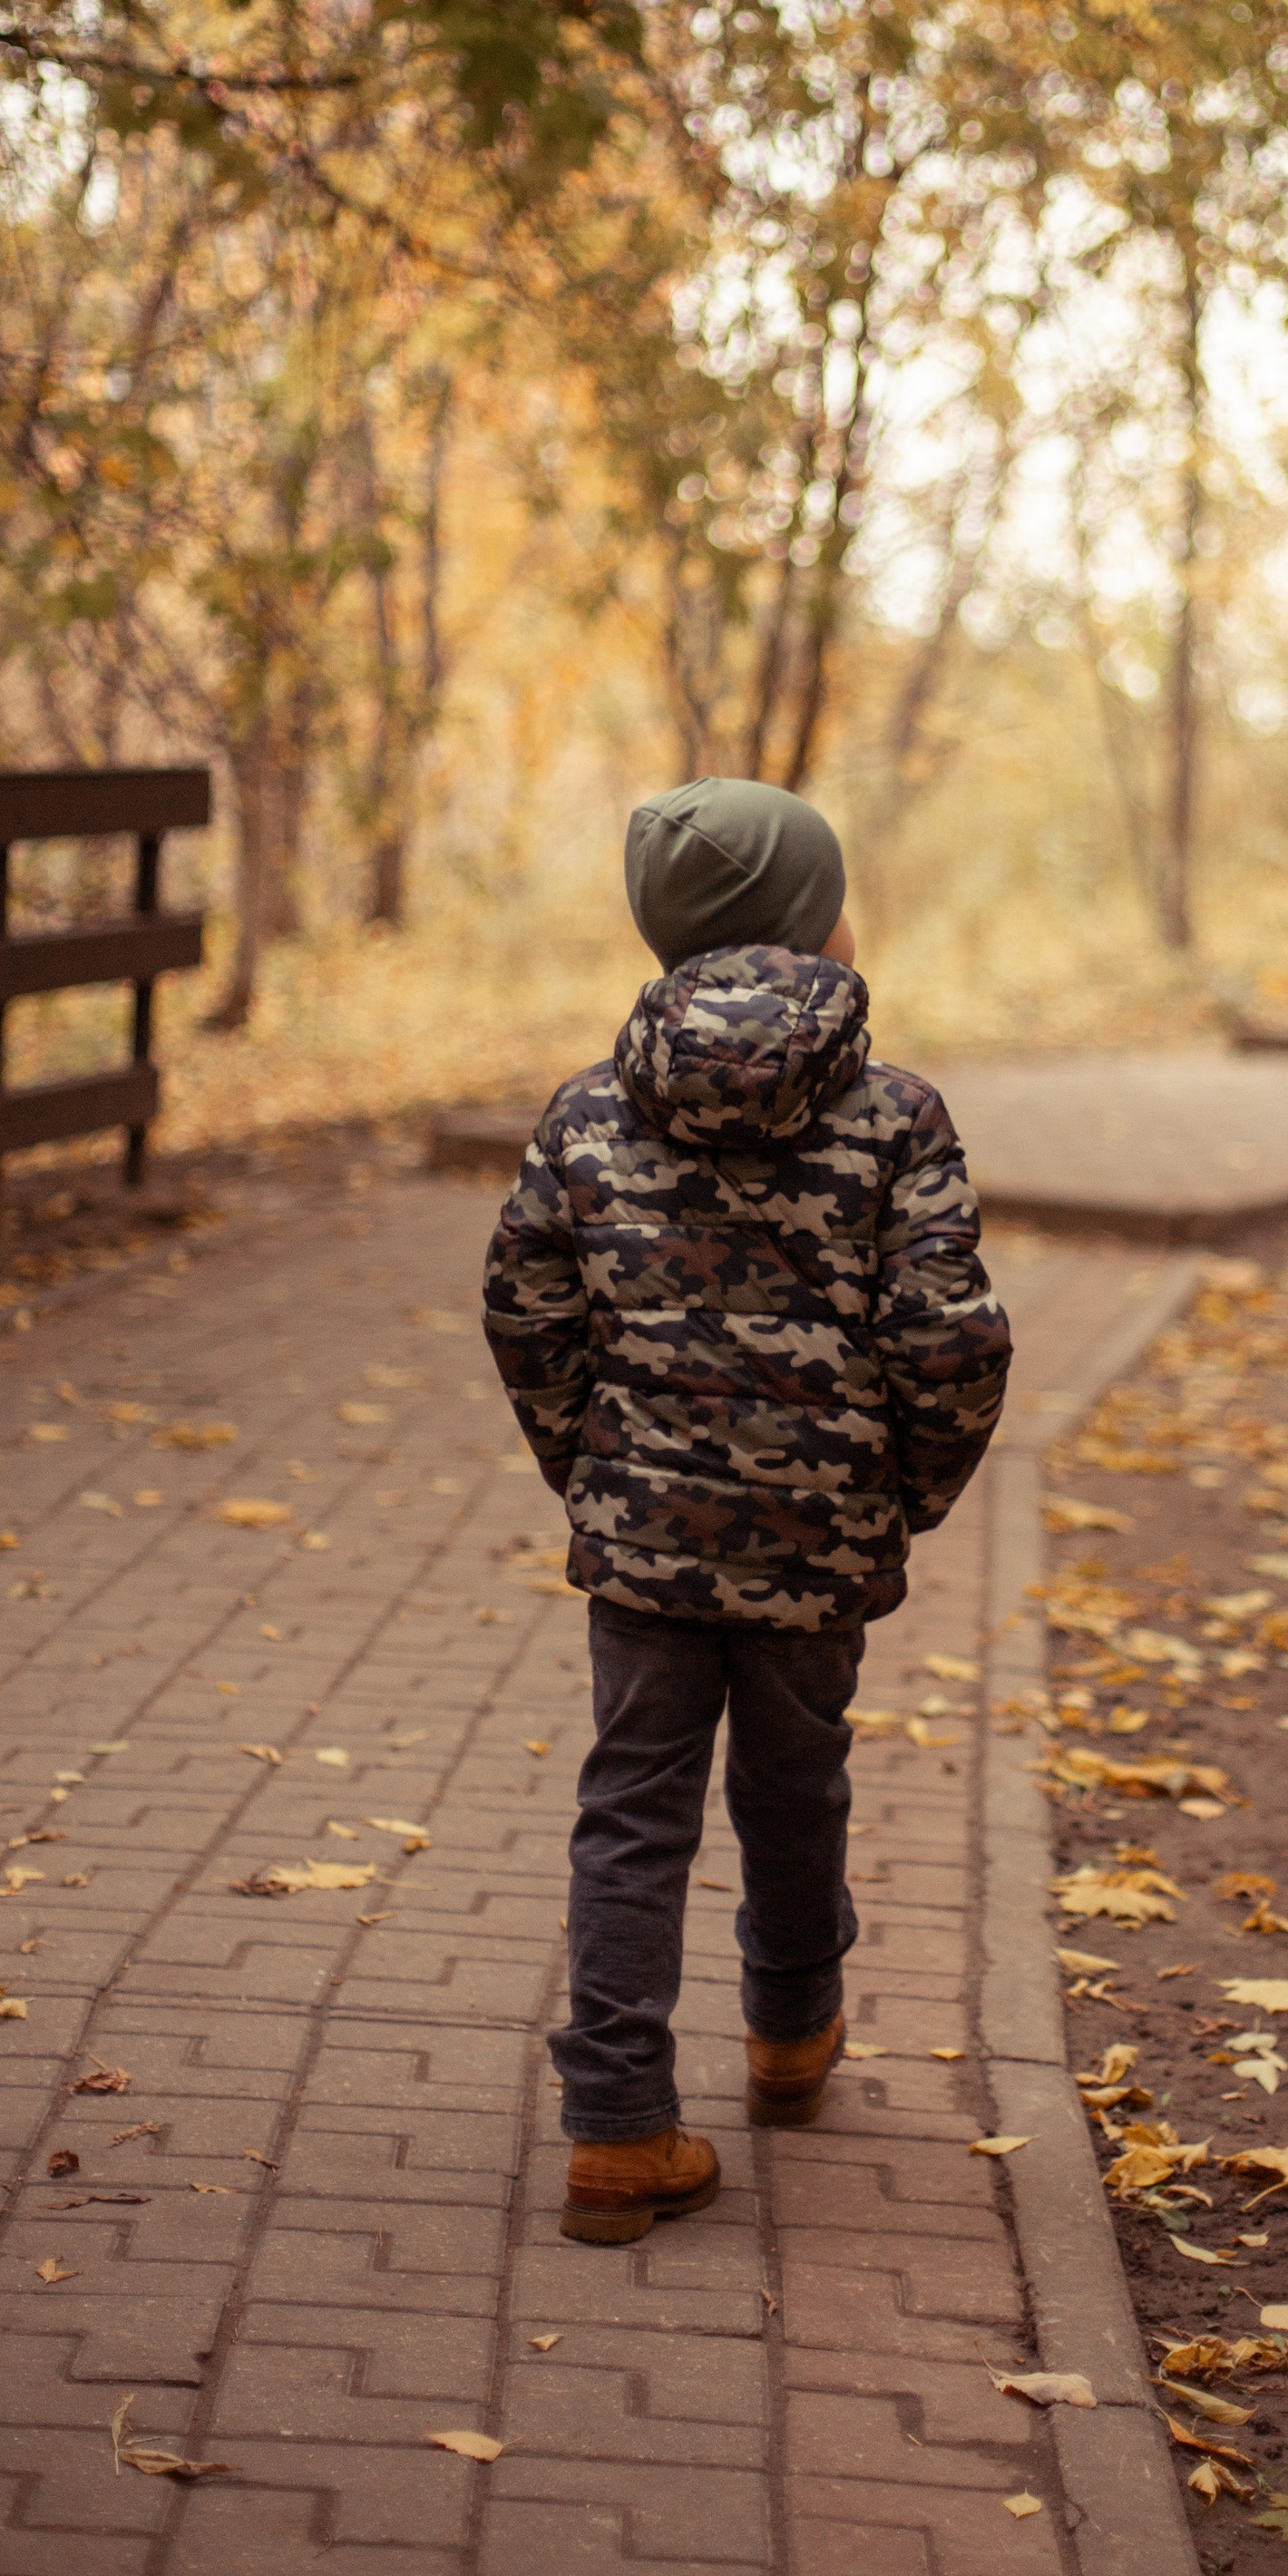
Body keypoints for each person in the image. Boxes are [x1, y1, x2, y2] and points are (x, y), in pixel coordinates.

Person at [482, 776, 1013, 2243]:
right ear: (824, 925)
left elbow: (523, 1307)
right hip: (816, 1545)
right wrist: (901, 1493)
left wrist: (589, 1467)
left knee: (632, 1810)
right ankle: (789, 2040)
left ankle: (615, 2129)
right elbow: (953, 1337)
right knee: (795, 1787)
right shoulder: (895, 1113)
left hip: (644, 1548)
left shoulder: (589, 1110)